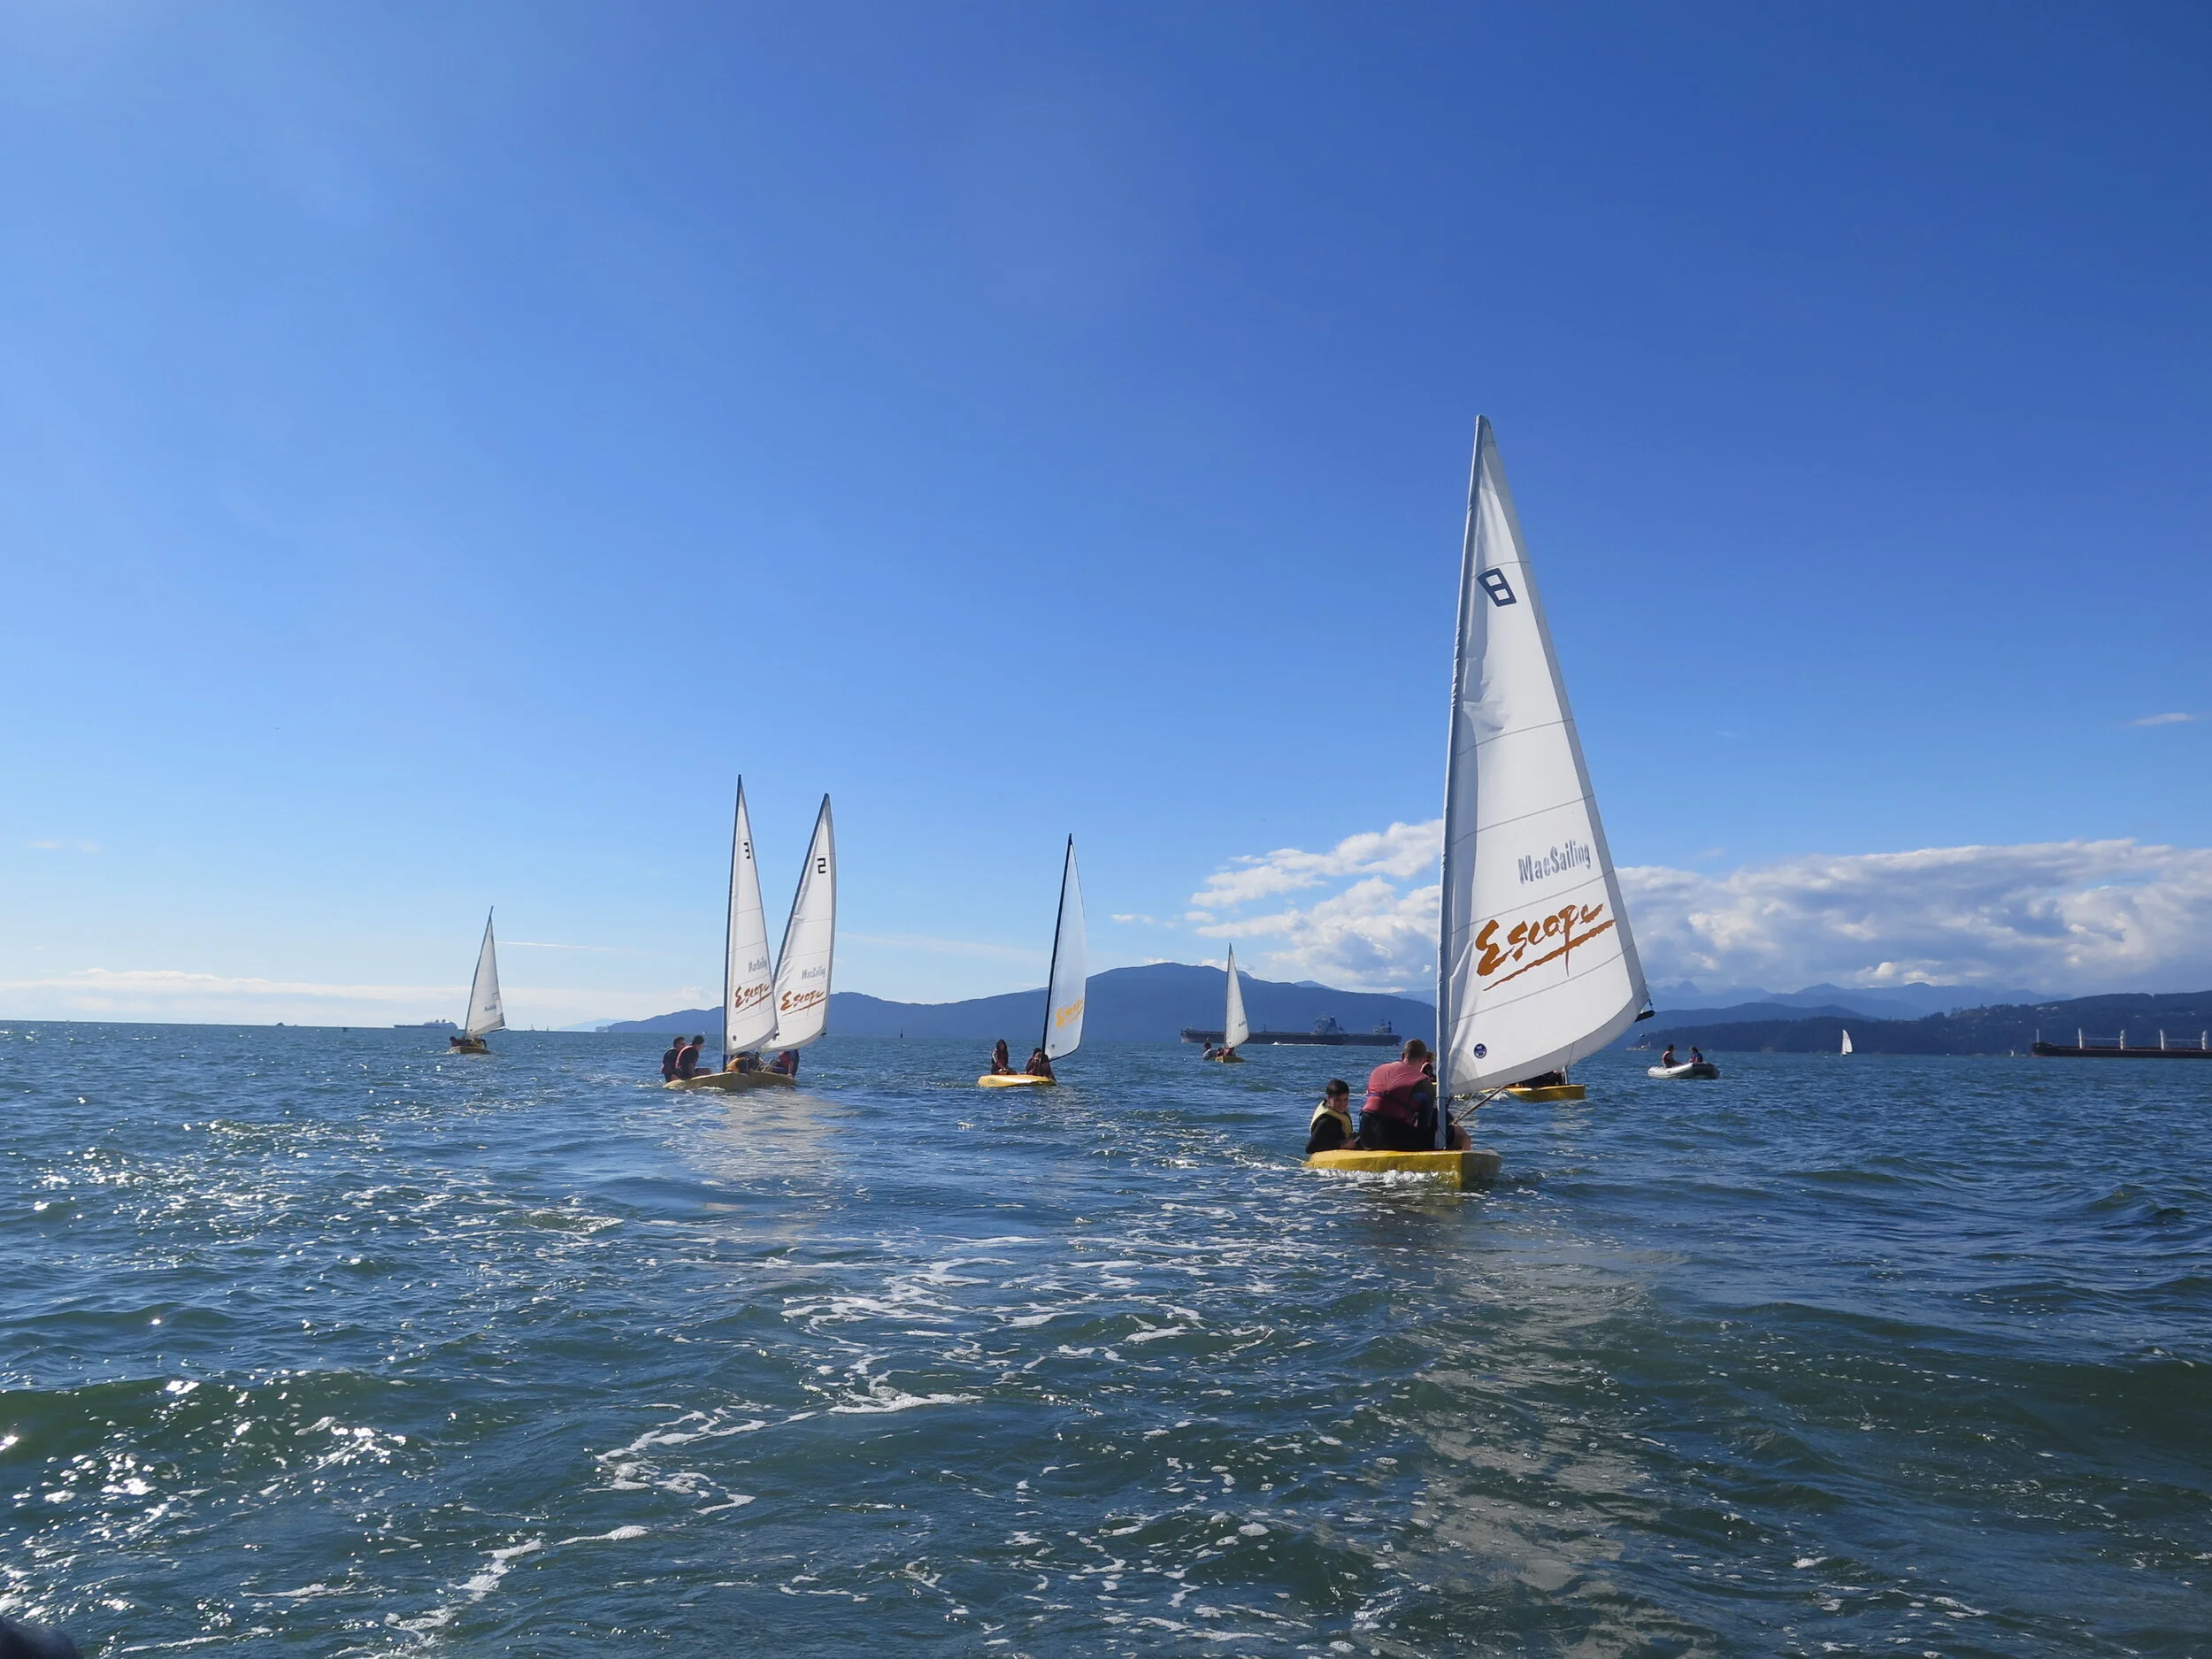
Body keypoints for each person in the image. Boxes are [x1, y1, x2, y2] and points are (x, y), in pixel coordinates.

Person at [1359, 1039, 1439, 1151]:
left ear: (1402, 1056)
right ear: (1423, 1060)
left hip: (1365, 1136)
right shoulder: (1423, 1083)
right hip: (1391, 1139)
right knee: (1443, 1129)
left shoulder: (1378, 1069)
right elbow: (1425, 1124)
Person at [1305, 1079, 1356, 1154]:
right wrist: (1341, 1145)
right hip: (1330, 1158)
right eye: (1338, 1100)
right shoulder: (1325, 1121)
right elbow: (1310, 1148)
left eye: (1345, 1099)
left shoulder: (1339, 1112)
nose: (1342, 1104)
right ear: (1329, 1099)